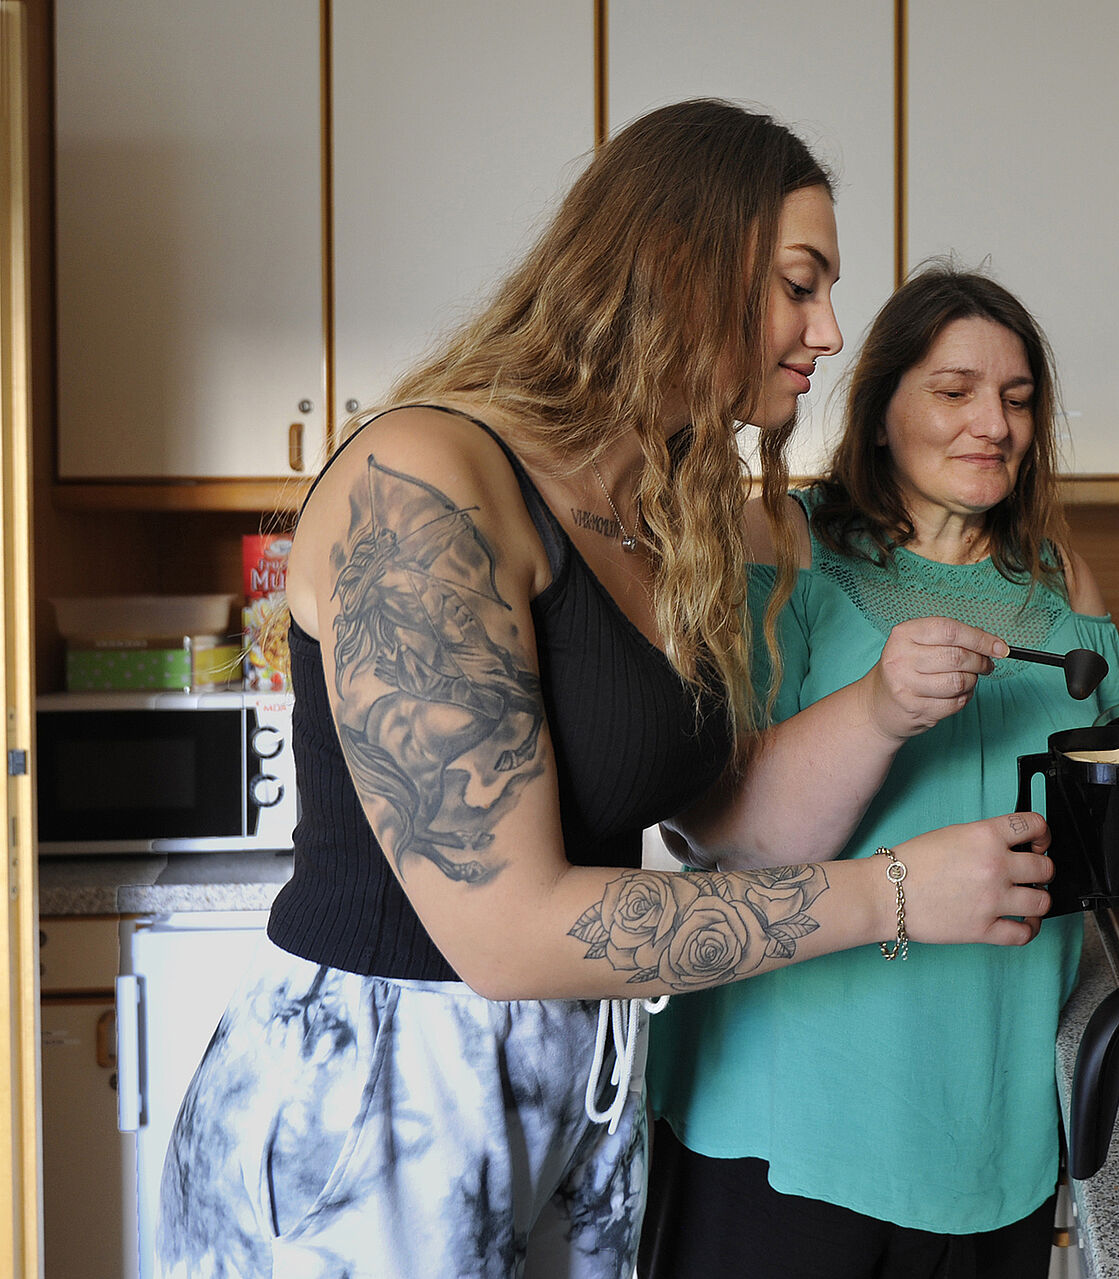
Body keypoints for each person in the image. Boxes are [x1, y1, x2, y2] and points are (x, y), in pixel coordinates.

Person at [155, 102, 1055, 1279]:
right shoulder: (423, 477)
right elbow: (510, 931)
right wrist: (893, 896)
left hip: (577, 1088)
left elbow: (721, 819)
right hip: (376, 1111)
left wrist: (887, 713)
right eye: (798, 284)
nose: (829, 331)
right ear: (681, 267)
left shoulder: (657, 522)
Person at [642, 265, 1119, 1279]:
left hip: (991, 1127)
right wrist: (880, 705)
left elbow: (1113, 830)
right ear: (878, 415)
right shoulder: (778, 547)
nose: (991, 422)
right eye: (954, 391)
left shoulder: (1063, 583)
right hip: (783, 1124)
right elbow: (714, 827)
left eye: (1017, 398)